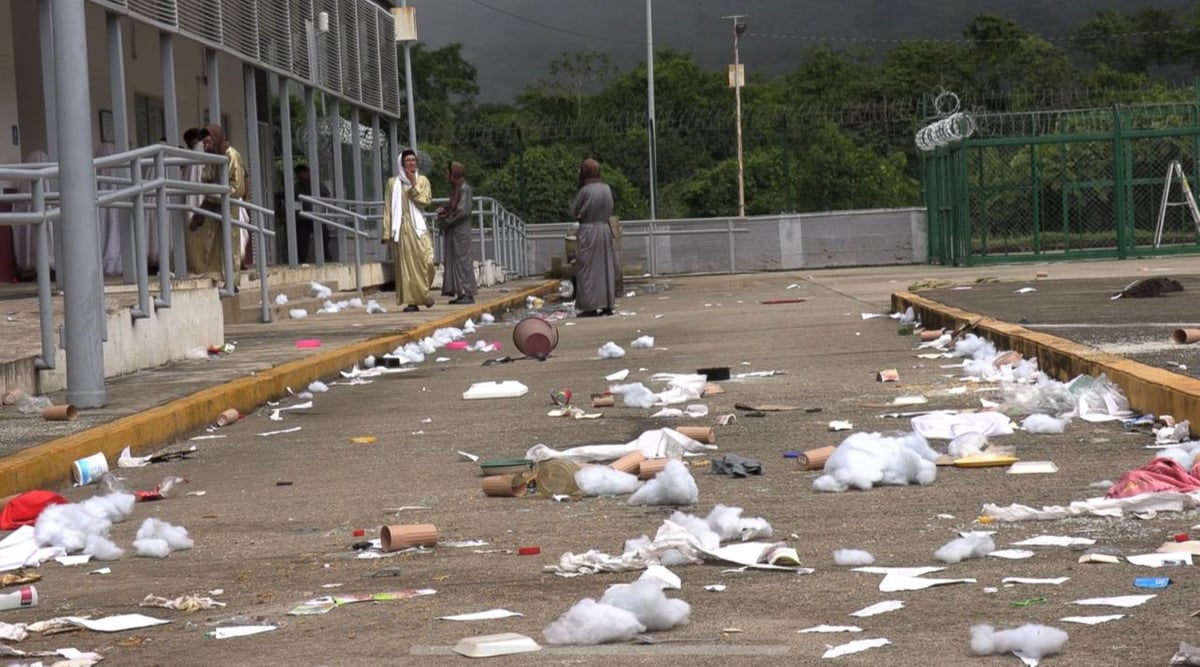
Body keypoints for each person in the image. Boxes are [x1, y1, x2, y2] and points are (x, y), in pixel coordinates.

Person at [187, 123, 245, 285]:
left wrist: (220, 193)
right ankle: (208, 272)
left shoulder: (230, 154)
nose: (206, 145)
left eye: (208, 141)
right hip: (211, 204)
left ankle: (231, 281)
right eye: (204, 142)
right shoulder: (211, 156)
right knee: (195, 232)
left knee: (228, 241)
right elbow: (205, 178)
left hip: (227, 205)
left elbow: (238, 186)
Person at [381, 149, 435, 312]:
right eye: (407, 160)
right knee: (407, 266)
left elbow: (424, 202)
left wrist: (413, 184)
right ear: (402, 163)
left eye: (413, 160)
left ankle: (424, 293)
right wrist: (386, 232)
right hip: (402, 228)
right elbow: (388, 208)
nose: (411, 163)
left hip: (418, 227)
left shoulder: (422, 180)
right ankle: (414, 301)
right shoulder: (393, 183)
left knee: (427, 261)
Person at [571, 158, 617, 316]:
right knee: (606, 268)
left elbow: (575, 209)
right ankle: (607, 305)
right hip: (604, 229)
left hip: (588, 231)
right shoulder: (607, 188)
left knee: (587, 269)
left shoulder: (585, 190)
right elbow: (610, 207)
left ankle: (589, 307)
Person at [436, 162, 477, 305]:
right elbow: (454, 208)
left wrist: (448, 221)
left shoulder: (465, 189)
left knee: (463, 262)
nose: (447, 177)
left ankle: (467, 292)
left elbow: (463, 211)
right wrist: (445, 211)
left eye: (449, 173)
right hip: (454, 231)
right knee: (455, 261)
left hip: (461, 231)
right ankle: (460, 292)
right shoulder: (456, 189)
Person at [290, 163, 332, 264]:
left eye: (303, 173)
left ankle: (325, 255)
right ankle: (302, 259)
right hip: (303, 217)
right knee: (302, 238)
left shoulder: (316, 184)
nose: (302, 176)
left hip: (316, 216)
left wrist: (321, 207)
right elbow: (287, 196)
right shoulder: (296, 187)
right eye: (299, 174)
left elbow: (326, 195)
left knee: (323, 234)